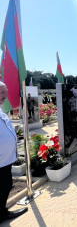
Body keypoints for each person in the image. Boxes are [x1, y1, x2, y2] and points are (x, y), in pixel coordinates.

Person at [0, 81, 28, 223]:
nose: (5, 95)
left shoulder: (1, 111)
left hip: (5, 160)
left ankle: (2, 212)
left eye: (5, 92)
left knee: (5, 185)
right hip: (1, 161)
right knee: (3, 186)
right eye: (2, 92)